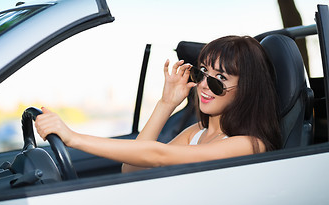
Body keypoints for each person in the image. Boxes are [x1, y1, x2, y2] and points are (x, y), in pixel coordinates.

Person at [35, 35, 282, 173]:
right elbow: (131, 170)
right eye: (202, 72)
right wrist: (166, 103)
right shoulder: (197, 132)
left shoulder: (248, 145)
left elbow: (158, 156)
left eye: (220, 79)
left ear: (247, 89)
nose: (205, 85)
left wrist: (73, 138)